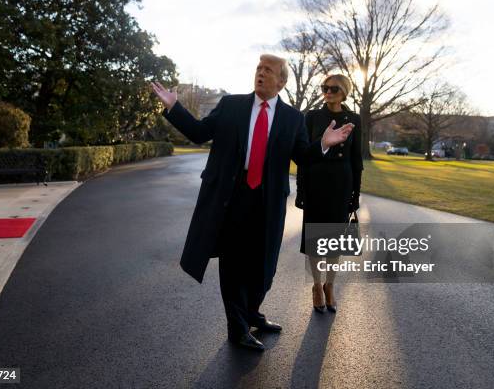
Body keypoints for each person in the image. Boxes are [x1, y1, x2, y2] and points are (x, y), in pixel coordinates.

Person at [150, 54, 353, 351]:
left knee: (264, 266)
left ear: (281, 81)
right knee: (233, 265)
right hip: (233, 197)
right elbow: (199, 133)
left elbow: (302, 157)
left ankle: (252, 312)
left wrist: (323, 143)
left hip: (268, 201)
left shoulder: (292, 118)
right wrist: (174, 106)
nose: (260, 74)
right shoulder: (231, 106)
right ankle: (238, 327)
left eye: (268, 70)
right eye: (258, 69)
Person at [295, 74, 363, 313]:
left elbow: (357, 160)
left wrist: (355, 195)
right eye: (325, 88)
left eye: (334, 88)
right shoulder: (312, 116)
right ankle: (316, 285)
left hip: (342, 183)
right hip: (316, 181)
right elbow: (303, 156)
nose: (328, 92)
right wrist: (301, 190)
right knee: (314, 239)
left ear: (344, 91)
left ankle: (330, 285)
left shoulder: (354, 119)